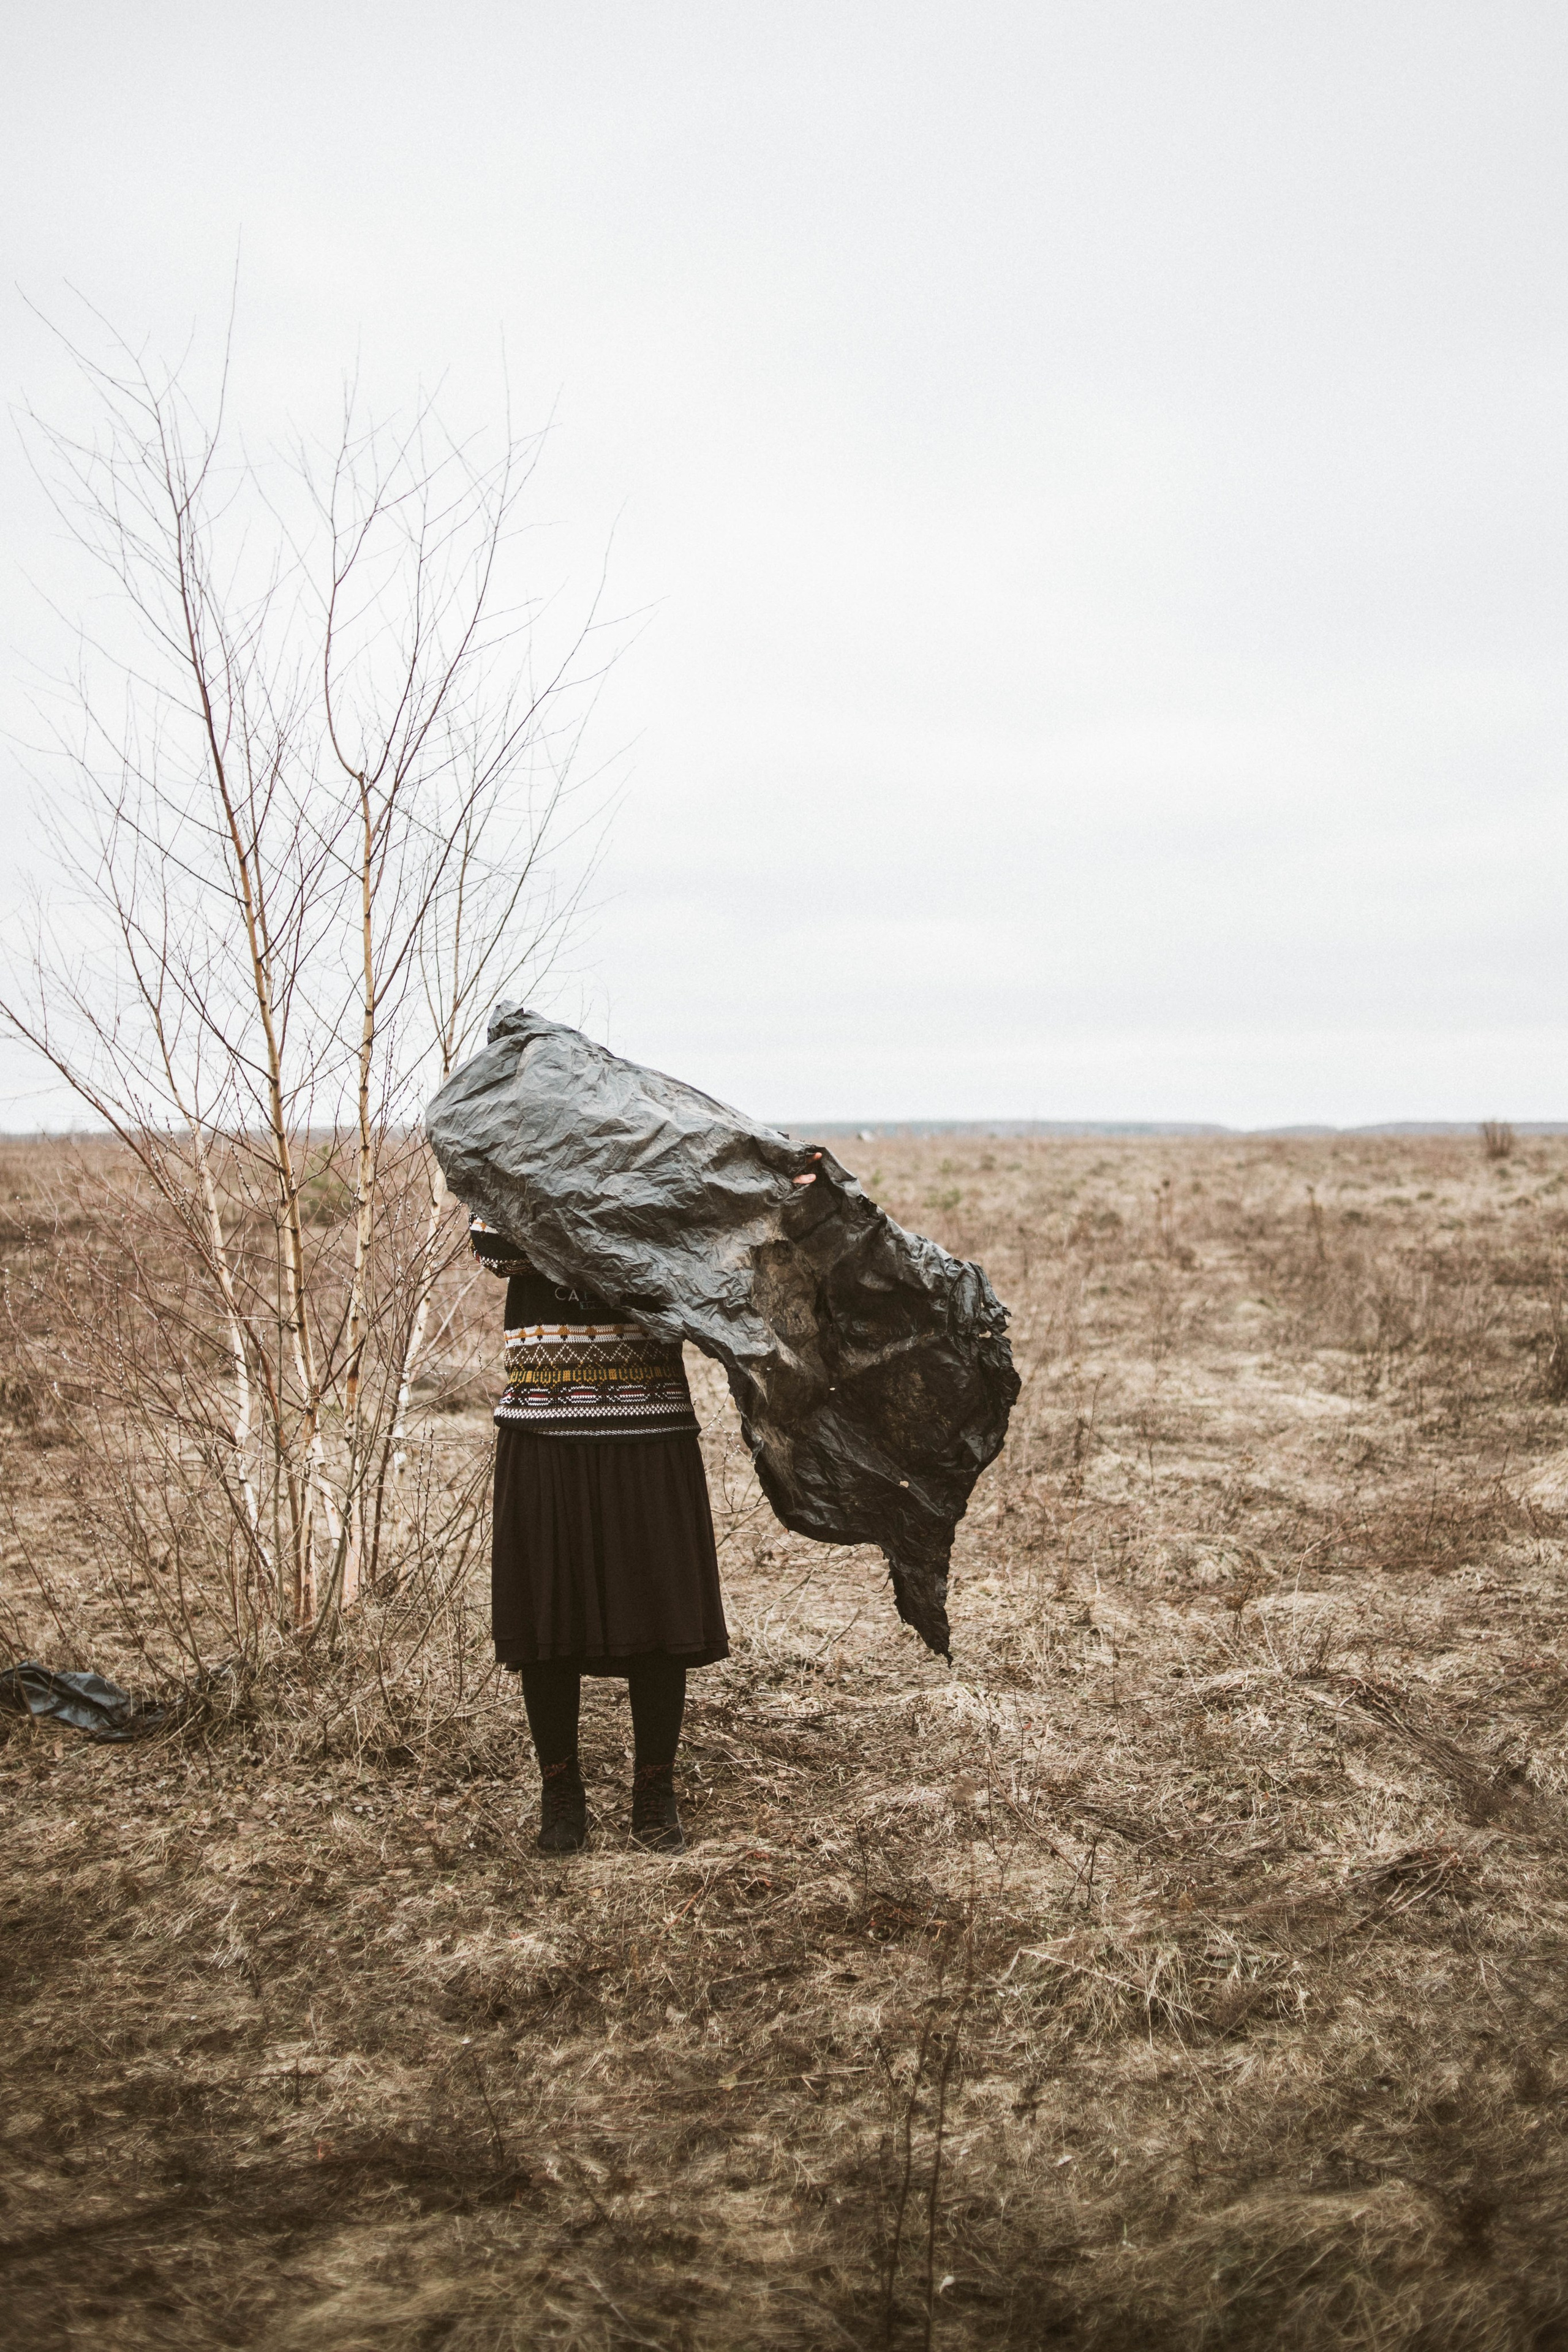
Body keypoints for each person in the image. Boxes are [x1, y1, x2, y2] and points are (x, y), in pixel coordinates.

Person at [470, 1216, 728, 1855]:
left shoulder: (661, 1160)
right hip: (543, 1420)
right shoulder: (510, 1161)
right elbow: (494, 1248)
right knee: (546, 1616)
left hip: (651, 1415)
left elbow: (693, 1247)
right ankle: (560, 1791)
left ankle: (655, 1792)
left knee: (660, 1614)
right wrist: (621, 1233)